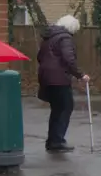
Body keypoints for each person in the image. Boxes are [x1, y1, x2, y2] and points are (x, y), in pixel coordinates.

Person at [36, 14, 89, 152]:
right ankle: (57, 141)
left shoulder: (49, 37)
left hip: (46, 77)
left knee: (57, 109)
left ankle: (52, 140)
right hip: (59, 79)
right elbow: (69, 59)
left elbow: (39, 56)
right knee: (65, 107)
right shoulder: (65, 38)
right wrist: (81, 75)